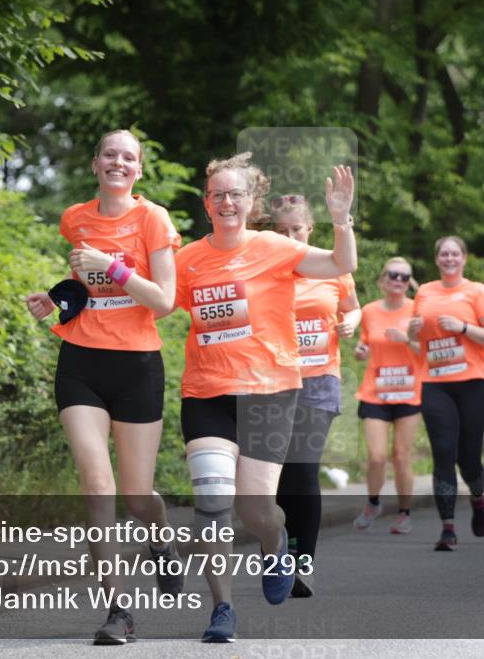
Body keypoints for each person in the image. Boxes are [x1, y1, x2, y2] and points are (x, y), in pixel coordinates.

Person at [173, 153, 356, 642]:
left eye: (236, 194)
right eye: (217, 194)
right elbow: (147, 300)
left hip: (269, 393)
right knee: (212, 499)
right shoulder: (188, 259)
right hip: (207, 393)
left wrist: (340, 220)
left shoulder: (274, 247)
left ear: (251, 201)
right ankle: (222, 610)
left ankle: (275, 544)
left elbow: (341, 264)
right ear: (206, 203)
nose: (226, 201)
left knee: (256, 510)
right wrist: (69, 298)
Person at [24, 130, 183, 645]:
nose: (119, 162)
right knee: (97, 483)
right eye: (110, 155)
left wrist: (112, 265)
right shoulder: (75, 218)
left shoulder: (153, 218)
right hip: (81, 362)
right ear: (96, 164)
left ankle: (161, 541)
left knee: (138, 497)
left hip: (137, 365)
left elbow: (163, 300)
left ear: (139, 170)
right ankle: (118, 610)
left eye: (129, 157)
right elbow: (87, 291)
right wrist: (57, 300)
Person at [263, 195, 362, 598]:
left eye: (296, 230)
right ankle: (282, 551)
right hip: (272, 383)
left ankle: (305, 563)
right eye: (281, 231)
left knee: (302, 468)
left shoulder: (331, 266)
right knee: (277, 477)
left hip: (319, 381)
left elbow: (353, 307)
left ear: (310, 230)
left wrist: (350, 324)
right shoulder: (265, 269)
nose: (289, 237)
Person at [408, 236, 484, 550]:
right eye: (443, 254)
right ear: (437, 260)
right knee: (443, 450)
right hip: (435, 382)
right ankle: (447, 529)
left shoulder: (477, 291)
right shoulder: (424, 291)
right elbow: (418, 341)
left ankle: (478, 499)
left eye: (455, 253)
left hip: (473, 382)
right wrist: (412, 333)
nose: (449, 258)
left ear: (464, 258)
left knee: (469, 457)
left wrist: (463, 327)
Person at [353, 258, 424, 535]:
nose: (398, 280)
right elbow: (365, 344)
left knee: (402, 456)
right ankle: (373, 503)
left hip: (408, 391)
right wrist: (361, 351)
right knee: (377, 456)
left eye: (404, 277)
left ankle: (404, 513)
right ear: (383, 280)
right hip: (376, 391)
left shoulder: (417, 310)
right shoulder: (369, 311)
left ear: (409, 282)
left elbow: (426, 352)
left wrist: (406, 339)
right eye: (393, 275)